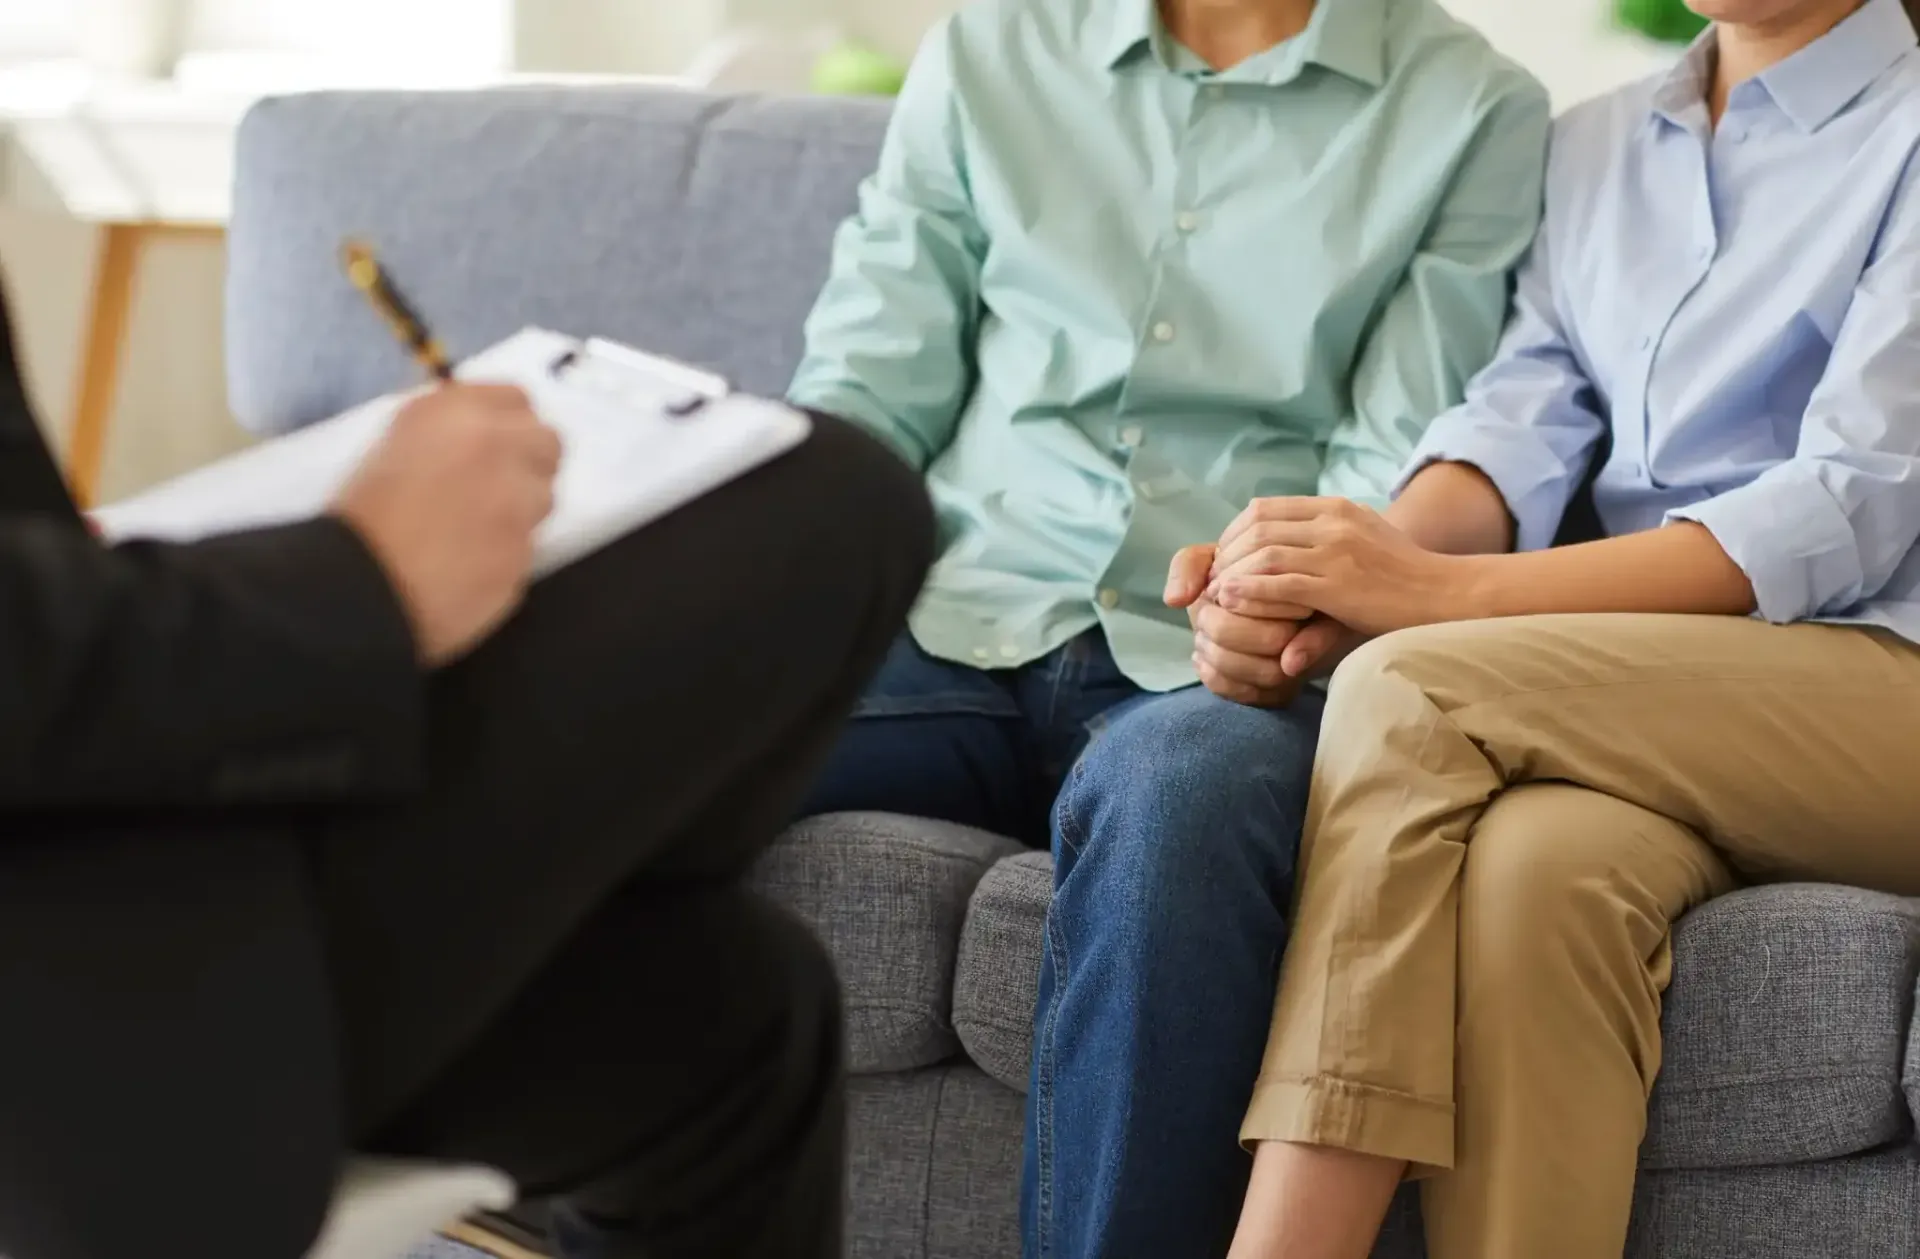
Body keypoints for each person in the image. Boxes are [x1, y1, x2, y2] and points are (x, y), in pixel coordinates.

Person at [785, 0, 1549, 1253]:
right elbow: (870, 382)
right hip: (955, 609)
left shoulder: (1472, 107)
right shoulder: (994, 46)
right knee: (647, 727)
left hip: (1219, 672)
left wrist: (1285, 601)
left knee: (1186, 793)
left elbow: (1393, 468)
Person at [1173, 0, 1920, 1255]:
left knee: (1411, 688)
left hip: (1885, 684)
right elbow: (1519, 423)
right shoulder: (1596, 144)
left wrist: (1432, 605)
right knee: (1535, 874)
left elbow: (1851, 503)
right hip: (1666, 709)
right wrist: (1342, 573)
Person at [0, 278, 933, 1259]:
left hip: (67, 807)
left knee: (734, 1016)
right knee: (834, 500)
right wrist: (361, 576)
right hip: (68, 991)